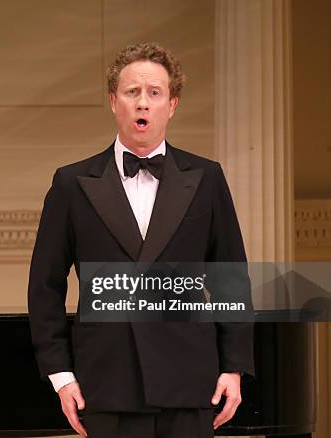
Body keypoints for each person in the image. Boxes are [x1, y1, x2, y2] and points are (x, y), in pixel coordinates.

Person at [28, 43, 254, 437]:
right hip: (106, 382)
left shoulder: (207, 178)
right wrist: (61, 375)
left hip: (189, 381)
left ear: (173, 104)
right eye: (132, 93)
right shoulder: (70, 184)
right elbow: (45, 286)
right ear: (114, 102)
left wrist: (232, 366)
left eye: (155, 93)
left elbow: (231, 276)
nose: (143, 104)